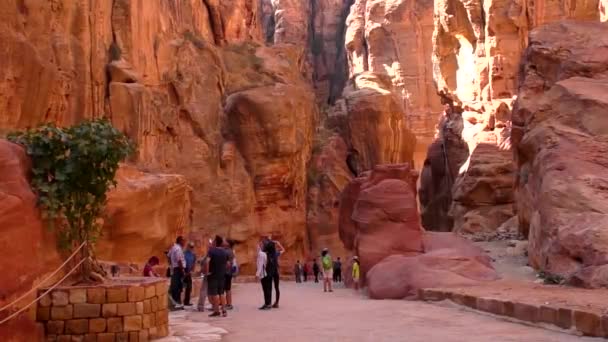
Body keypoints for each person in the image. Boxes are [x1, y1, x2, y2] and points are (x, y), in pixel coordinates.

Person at [206, 235, 229, 317]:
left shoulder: (211, 251)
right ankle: (224, 310)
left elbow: (207, 261)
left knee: (214, 293)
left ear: (215, 242)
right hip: (222, 275)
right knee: (221, 293)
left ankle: (216, 310)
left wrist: (207, 272)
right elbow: (227, 264)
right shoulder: (225, 252)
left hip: (213, 274)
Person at [167, 236, 186, 309]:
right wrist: (182, 270)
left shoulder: (173, 247)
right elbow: (179, 260)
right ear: (180, 241)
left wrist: (171, 264)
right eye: (183, 241)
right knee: (177, 287)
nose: (184, 242)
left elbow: (168, 256)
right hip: (178, 269)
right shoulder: (178, 249)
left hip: (175, 269)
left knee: (175, 286)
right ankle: (176, 304)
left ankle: (177, 304)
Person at [197, 239, 212, 312]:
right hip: (214, 274)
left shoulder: (210, 253)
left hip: (208, 274)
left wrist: (205, 271)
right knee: (212, 291)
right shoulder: (212, 253)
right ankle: (215, 305)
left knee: (204, 290)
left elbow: (206, 263)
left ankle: (201, 306)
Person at [256, 242, 272, 310]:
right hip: (264, 273)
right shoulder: (263, 254)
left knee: (266, 289)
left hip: (263, 274)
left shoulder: (261, 254)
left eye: (258, 246)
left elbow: (260, 264)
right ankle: (267, 303)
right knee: (266, 289)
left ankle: (267, 304)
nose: (256, 248)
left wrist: (257, 274)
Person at [224, 239, 236, 310]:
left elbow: (228, 263)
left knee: (227, 289)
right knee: (228, 288)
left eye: (225, 241)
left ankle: (229, 304)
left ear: (228, 244)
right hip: (229, 272)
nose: (224, 242)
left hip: (226, 272)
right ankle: (228, 303)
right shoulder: (231, 251)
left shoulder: (228, 251)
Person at [183, 242, 197, 306]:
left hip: (189, 272)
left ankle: (186, 301)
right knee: (182, 287)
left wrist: (192, 270)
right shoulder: (184, 254)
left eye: (192, 247)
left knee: (189, 287)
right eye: (190, 246)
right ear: (187, 246)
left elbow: (194, 262)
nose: (191, 248)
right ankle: (182, 302)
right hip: (184, 271)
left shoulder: (193, 254)